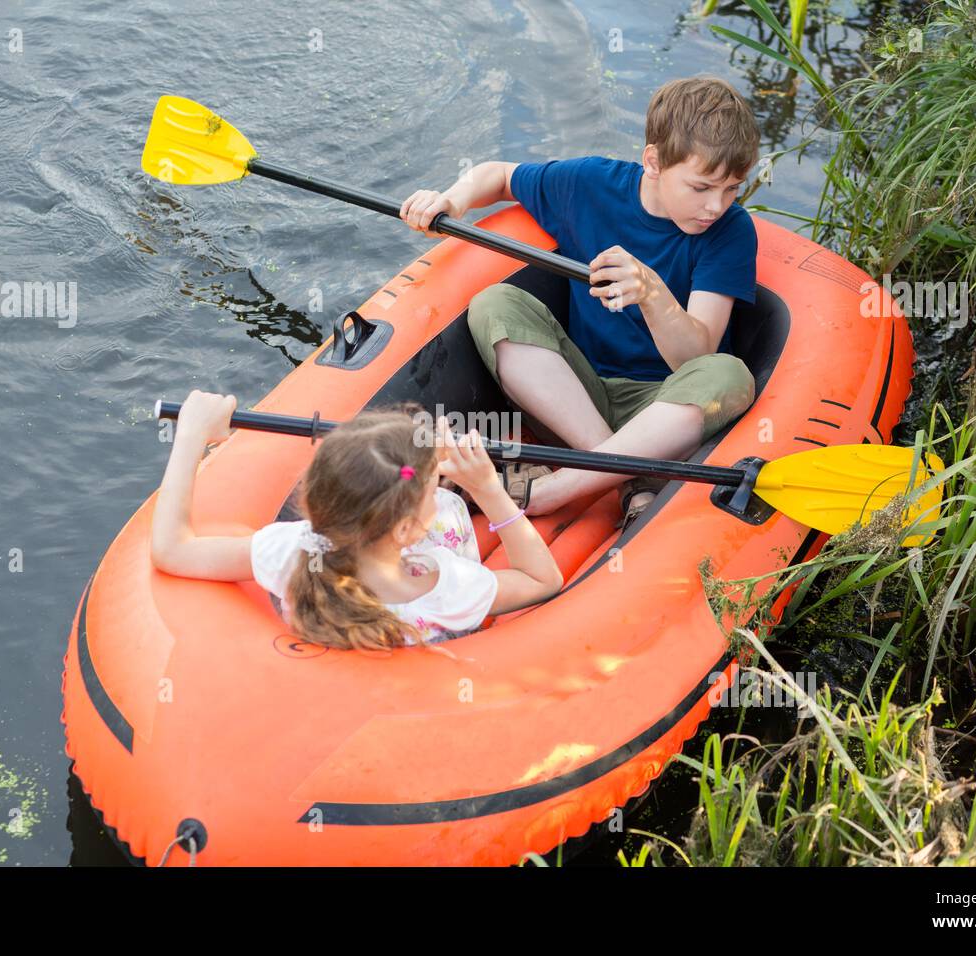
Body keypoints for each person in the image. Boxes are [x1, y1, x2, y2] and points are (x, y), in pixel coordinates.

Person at [399, 75, 761, 526]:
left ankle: (554, 490)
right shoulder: (589, 185)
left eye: (732, 190)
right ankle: (628, 475)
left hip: (668, 409)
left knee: (728, 373)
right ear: (653, 161)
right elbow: (499, 175)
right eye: (702, 187)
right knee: (495, 303)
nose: (716, 206)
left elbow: (695, 358)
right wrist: (451, 200)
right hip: (579, 397)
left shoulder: (730, 232)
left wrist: (653, 295)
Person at [149, 390, 565, 650]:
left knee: (412, 491)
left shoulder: (294, 551)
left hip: (379, 547)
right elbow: (542, 580)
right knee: (452, 509)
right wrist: (487, 490)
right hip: (412, 588)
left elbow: (172, 549)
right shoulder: (446, 587)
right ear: (405, 530)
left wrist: (191, 436)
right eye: (429, 491)